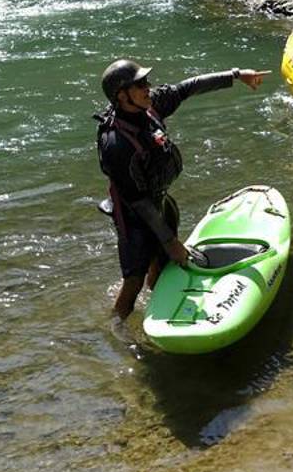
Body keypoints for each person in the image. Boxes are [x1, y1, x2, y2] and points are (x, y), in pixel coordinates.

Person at [96, 60, 267, 321]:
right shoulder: (116, 144)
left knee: (162, 264)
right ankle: (116, 328)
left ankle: (161, 303)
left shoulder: (149, 106)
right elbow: (137, 200)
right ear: (122, 95)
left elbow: (188, 87)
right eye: (140, 84)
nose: (148, 88)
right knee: (133, 281)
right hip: (133, 217)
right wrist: (171, 241)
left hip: (159, 201)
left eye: (146, 82)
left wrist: (235, 74)